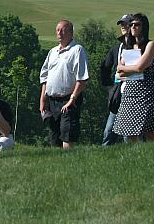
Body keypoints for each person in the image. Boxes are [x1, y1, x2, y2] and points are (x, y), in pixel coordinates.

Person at [39, 20, 89, 150]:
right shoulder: (52, 52)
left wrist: (72, 99)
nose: (59, 33)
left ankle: (69, 161)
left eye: (63, 30)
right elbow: (44, 76)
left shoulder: (77, 50)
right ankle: (57, 163)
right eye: (57, 30)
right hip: (52, 100)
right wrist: (43, 98)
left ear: (71, 33)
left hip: (69, 100)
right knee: (54, 135)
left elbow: (82, 79)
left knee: (67, 133)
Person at [112, 13, 154, 143]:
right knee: (129, 132)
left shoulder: (151, 45)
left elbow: (140, 67)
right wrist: (126, 69)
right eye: (131, 24)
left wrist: (125, 68)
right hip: (130, 93)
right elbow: (118, 71)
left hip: (146, 94)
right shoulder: (128, 47)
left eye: (137, 24)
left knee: (149, 132)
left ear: (144, 27)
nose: (133, 27)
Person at [100, 14, 133, 146]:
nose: (124, 26)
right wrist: (109, 88)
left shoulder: (142, 47)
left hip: (134, 93)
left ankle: (133, 157)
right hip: (118, 93)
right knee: (109, 131)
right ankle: (104, 158)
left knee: (129, 133)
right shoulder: (116, 48)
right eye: (122, 24)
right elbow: (105, 68)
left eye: (127, 23)